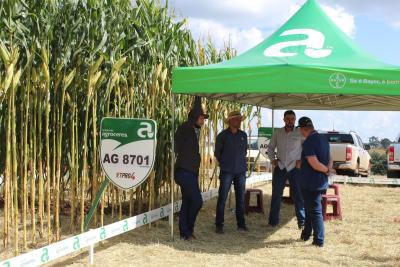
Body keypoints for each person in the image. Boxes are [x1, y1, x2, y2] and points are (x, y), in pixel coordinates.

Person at [174, 97, 208, 240]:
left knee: (188, 201)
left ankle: (185, 232)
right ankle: (187, 229)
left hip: (190, 172)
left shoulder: (194, 130)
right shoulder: (186, 128)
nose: (203, 120)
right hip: (184, 171)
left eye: (203, 118)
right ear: (194, 117)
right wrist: (197, 97)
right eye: (201, 117)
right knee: (197, 201)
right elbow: (177, 146)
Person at [297, 116, 332, 247]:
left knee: (315, 210)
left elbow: (314, 163)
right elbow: (331, 157)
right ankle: (306, 234)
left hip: (311, 182)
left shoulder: (308, 142)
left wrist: (326, 170)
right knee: (310, 209)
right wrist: (327, 170)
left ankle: (319, 240)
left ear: (302, 128)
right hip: (321, 181)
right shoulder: (323, 139)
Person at [267, 110, 305, 228]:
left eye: (292, 119)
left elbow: (307, 147)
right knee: (276, 195)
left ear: (295, 120)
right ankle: (273, 222)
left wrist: (301, 161)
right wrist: (272, 160)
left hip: (295, 168)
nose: (290, 121)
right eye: (287, 118)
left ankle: (302, 223)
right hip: (281, 167)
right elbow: (270, 147)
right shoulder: (277, 133)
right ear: (283, 120)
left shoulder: (300, 133)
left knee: (298, 196)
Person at [214, 111, 248, 234]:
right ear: (230, 121)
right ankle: (219, 225)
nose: (239, 121)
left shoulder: (243, 135)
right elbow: (217, 153)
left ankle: (241, 224)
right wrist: (225, 163)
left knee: (241, 199)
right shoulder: (222, 136)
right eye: (236, 119)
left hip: (240, 171)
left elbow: (245, 151)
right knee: (222, 198)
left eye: (240, 119)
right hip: (227, 170)